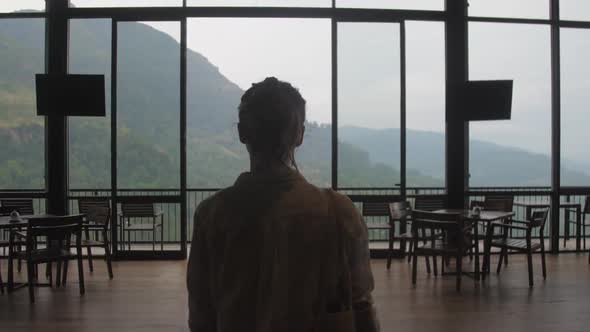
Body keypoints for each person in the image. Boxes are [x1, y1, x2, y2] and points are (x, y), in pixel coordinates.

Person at [187, 77, 378, 332]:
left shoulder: (212, 215)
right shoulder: (339, 212)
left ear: (243, 132)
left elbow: (202, 316)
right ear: (299, 134)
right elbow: (361, 305)